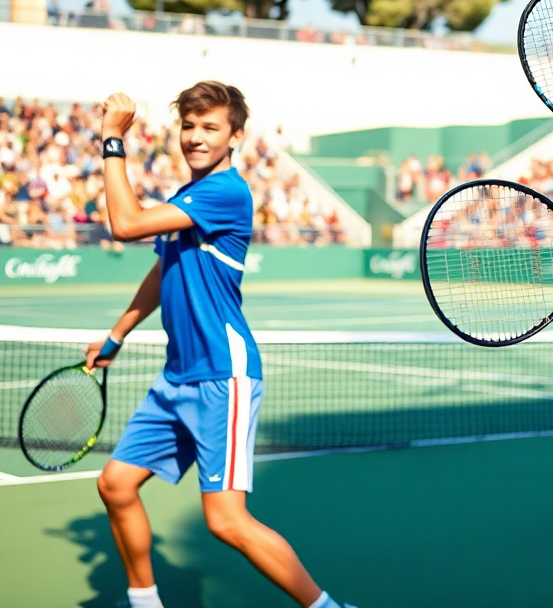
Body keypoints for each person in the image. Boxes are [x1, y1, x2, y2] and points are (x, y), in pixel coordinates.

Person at [86, 82, 356, 608]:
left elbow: (125, 224)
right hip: (176, 377)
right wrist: (117, 335)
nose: (195, 136)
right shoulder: (187, 199)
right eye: (188, 126)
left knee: (226, 521)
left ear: (235, 136)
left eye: (210, 127)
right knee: (115, 485)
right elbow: (163, 270)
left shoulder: (226, 192)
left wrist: (112, 138)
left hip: (221, 376)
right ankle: (144, 603)